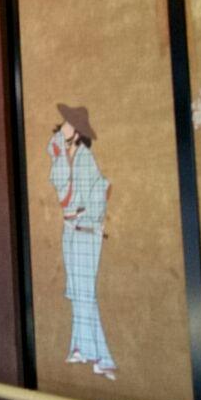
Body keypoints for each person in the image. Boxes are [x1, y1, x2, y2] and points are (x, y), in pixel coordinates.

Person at [48, 104, 116, 381]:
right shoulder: (65, 155)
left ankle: (101, 357)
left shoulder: (85, 158)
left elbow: (97, 196)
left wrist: (86, 216)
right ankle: (79, 347)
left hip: (86, 230)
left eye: (68, 124)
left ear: (77, 132)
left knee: (85, 291)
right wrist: (61, 146)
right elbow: (55, 168)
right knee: (76, 290)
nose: (63, 126)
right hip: (70, 229)